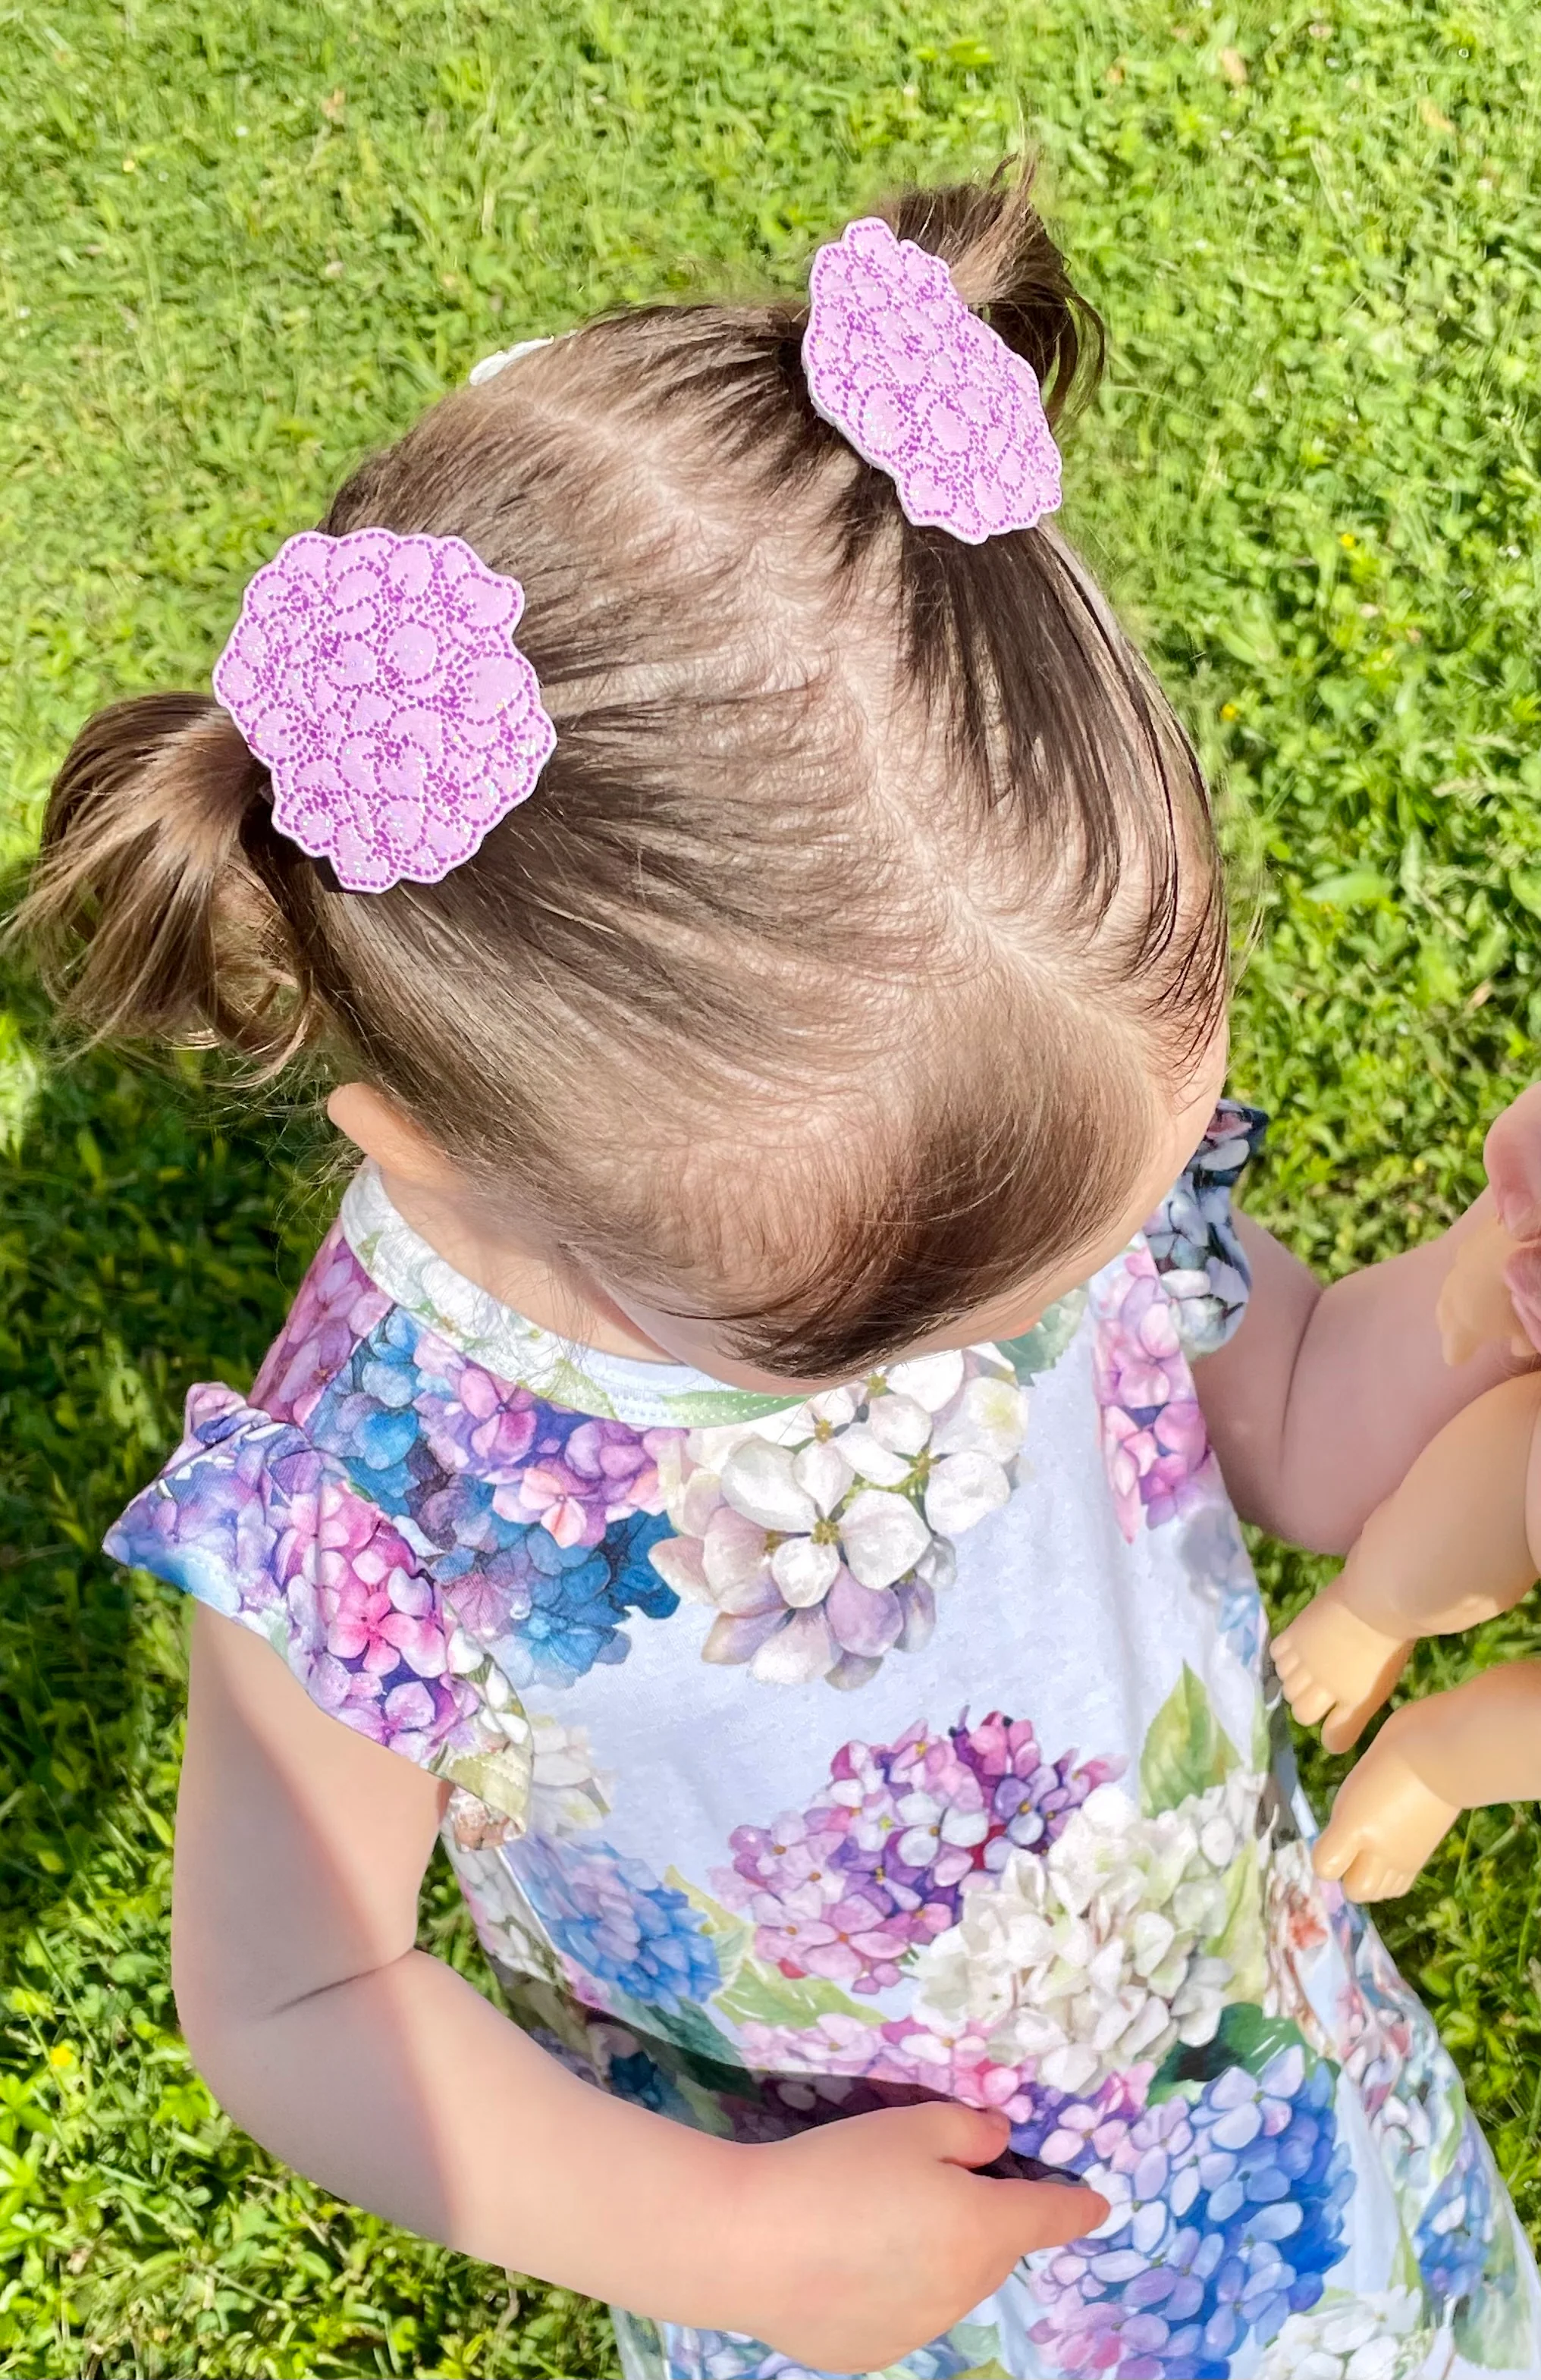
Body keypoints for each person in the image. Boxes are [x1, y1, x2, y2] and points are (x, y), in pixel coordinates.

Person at [22, 168, 1541, 2380]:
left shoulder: (976, 1152)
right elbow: (288, 1994)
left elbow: (1291, 1399)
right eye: (958, 1315)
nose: (1057, 1311)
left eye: (1105, 1241)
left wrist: (1483, 1301)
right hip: (859, 2273)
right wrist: (725, 2245)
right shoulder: (387, 1498)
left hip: (1263, 2119)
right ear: (442, 1148)